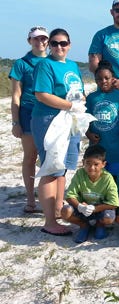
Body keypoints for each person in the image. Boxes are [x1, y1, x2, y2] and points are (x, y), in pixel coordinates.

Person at [31, 28, 85, 236]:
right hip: (49, 121)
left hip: (69, 122)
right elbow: (42, 94)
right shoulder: (46, 64)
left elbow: (77, 92)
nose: (59, 47)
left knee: (63, 169)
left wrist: (80, 103)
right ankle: (50, 221)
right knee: (51, 169)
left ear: (69, 45)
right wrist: (70, 106)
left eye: (63, 43)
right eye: (54, 43)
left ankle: (59, 210)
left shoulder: (72, 65)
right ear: (49, 45)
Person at [9, 26, 49, 213]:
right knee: (30, 157)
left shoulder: (52, 61)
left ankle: (48, 198)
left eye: (43, 39)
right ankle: (31, 199)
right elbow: (16, 96)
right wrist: (15, 122)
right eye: (36, 39)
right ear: (29, 41)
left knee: (49, 158)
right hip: (28, 114)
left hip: (50, 114)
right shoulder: (21, 63)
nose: (40, 42)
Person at [61, 145, 119, 243]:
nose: (91, 167)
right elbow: (70, 195)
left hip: (100, 210)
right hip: (82, 209)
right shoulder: (80, 174)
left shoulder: (108, 178)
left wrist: (94, 208)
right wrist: (80, 206)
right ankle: (84, 225)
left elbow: (114, 203)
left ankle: (99, 225)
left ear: (103, 164)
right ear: (83, 162)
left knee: (109, 218)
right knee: (65, 211)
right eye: (88, 163)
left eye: (96, 164)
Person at [86, 61, 119, 179]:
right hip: (98, 147)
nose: (103, 81)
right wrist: (88, 133)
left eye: (107, 78)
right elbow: (84, 120)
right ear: (95, 80)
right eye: (99, 79)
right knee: (98, 179)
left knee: (116, 180)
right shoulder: (91, 98)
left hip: (118, 148)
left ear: (113, 79)